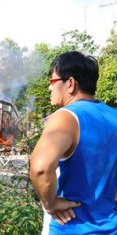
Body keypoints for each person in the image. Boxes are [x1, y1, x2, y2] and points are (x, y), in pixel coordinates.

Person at [30, 51, 117, 234]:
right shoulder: (114, 117)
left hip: (71, 226)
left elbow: (41, 168)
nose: (49, 88)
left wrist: (50, 203)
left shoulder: (66, 117)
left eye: (52, 81)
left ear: (70, 83)